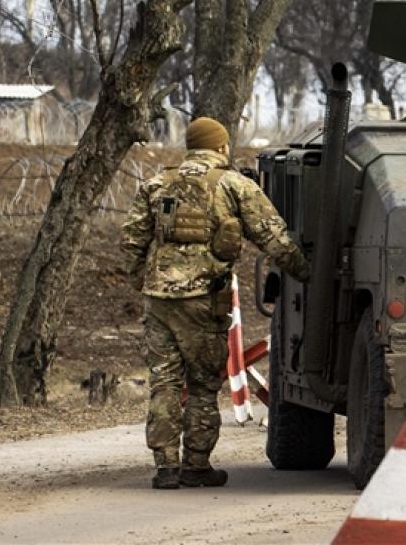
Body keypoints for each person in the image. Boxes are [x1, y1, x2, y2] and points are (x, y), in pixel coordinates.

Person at [122, 117, 309, 489]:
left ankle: (165, 468)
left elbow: (132, 242)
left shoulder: (157, 184)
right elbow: (273, 238)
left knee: (164, 381)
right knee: (204, 385)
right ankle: (195, 465)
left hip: (158, 301)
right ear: (222, 147)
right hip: (204, 302)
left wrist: (144, 282)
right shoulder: (234, 185)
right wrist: (306, 273)